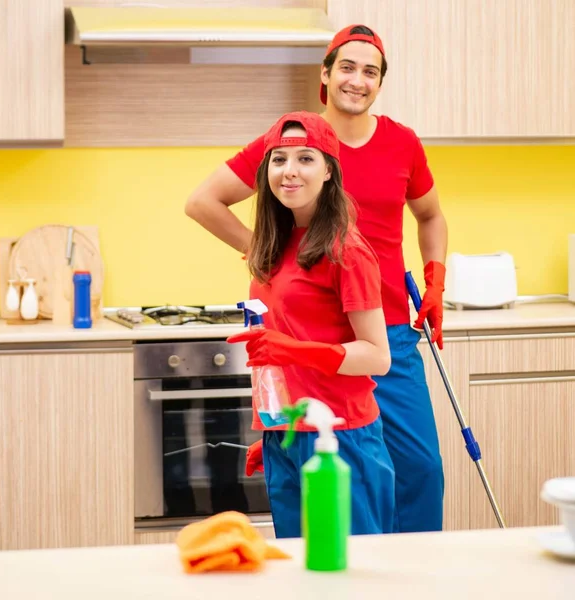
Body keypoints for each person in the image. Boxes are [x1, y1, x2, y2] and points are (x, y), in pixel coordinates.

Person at [186, 24, 448, 533]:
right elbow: (202, 201)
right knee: (321, 485)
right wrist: (271, 253)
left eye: (370, 71)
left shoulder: (401, 144)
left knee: (419, 470)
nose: (357, 80)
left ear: (379, 83)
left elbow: (431, 216)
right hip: (313, 333)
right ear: (324, 76)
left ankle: (412, 573)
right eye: (346, 67)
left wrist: (436, 281)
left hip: (385, 330)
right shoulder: (291, 140)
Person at [227, 111, 395, 539]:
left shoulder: (346, 250)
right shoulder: (275, 245)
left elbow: (377, 356)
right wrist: (277, 431)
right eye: (279, 159)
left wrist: (291, 350)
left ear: (328, 171)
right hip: (292, 435)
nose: (289, 171)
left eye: (305, 158)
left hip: (341, 439)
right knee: (303, 575)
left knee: (352, 573)